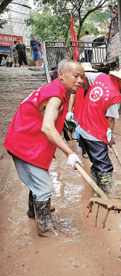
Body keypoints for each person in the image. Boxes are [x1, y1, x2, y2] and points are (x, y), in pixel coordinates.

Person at [4, 59, 85, 237]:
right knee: (45, 187)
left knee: (37, 182)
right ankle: (45, 229)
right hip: (24, 144)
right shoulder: (55, 95)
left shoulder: (58, 90)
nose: (80, 81)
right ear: (61, 74)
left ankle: (33, 213)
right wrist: (69, 152)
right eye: (76, 76)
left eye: (82, 77)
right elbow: (47, 127)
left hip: (25, 140)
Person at [75, 64, 121, 197]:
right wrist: (109, 137)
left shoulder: (100, 77)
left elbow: (85, 76)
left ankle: (96, 191)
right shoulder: (115, 96)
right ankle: (108, 195)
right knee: (105, 166)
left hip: (82, 126)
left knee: (96, 161)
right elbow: (110, 120)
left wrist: (90, 92)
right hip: (94, 132)